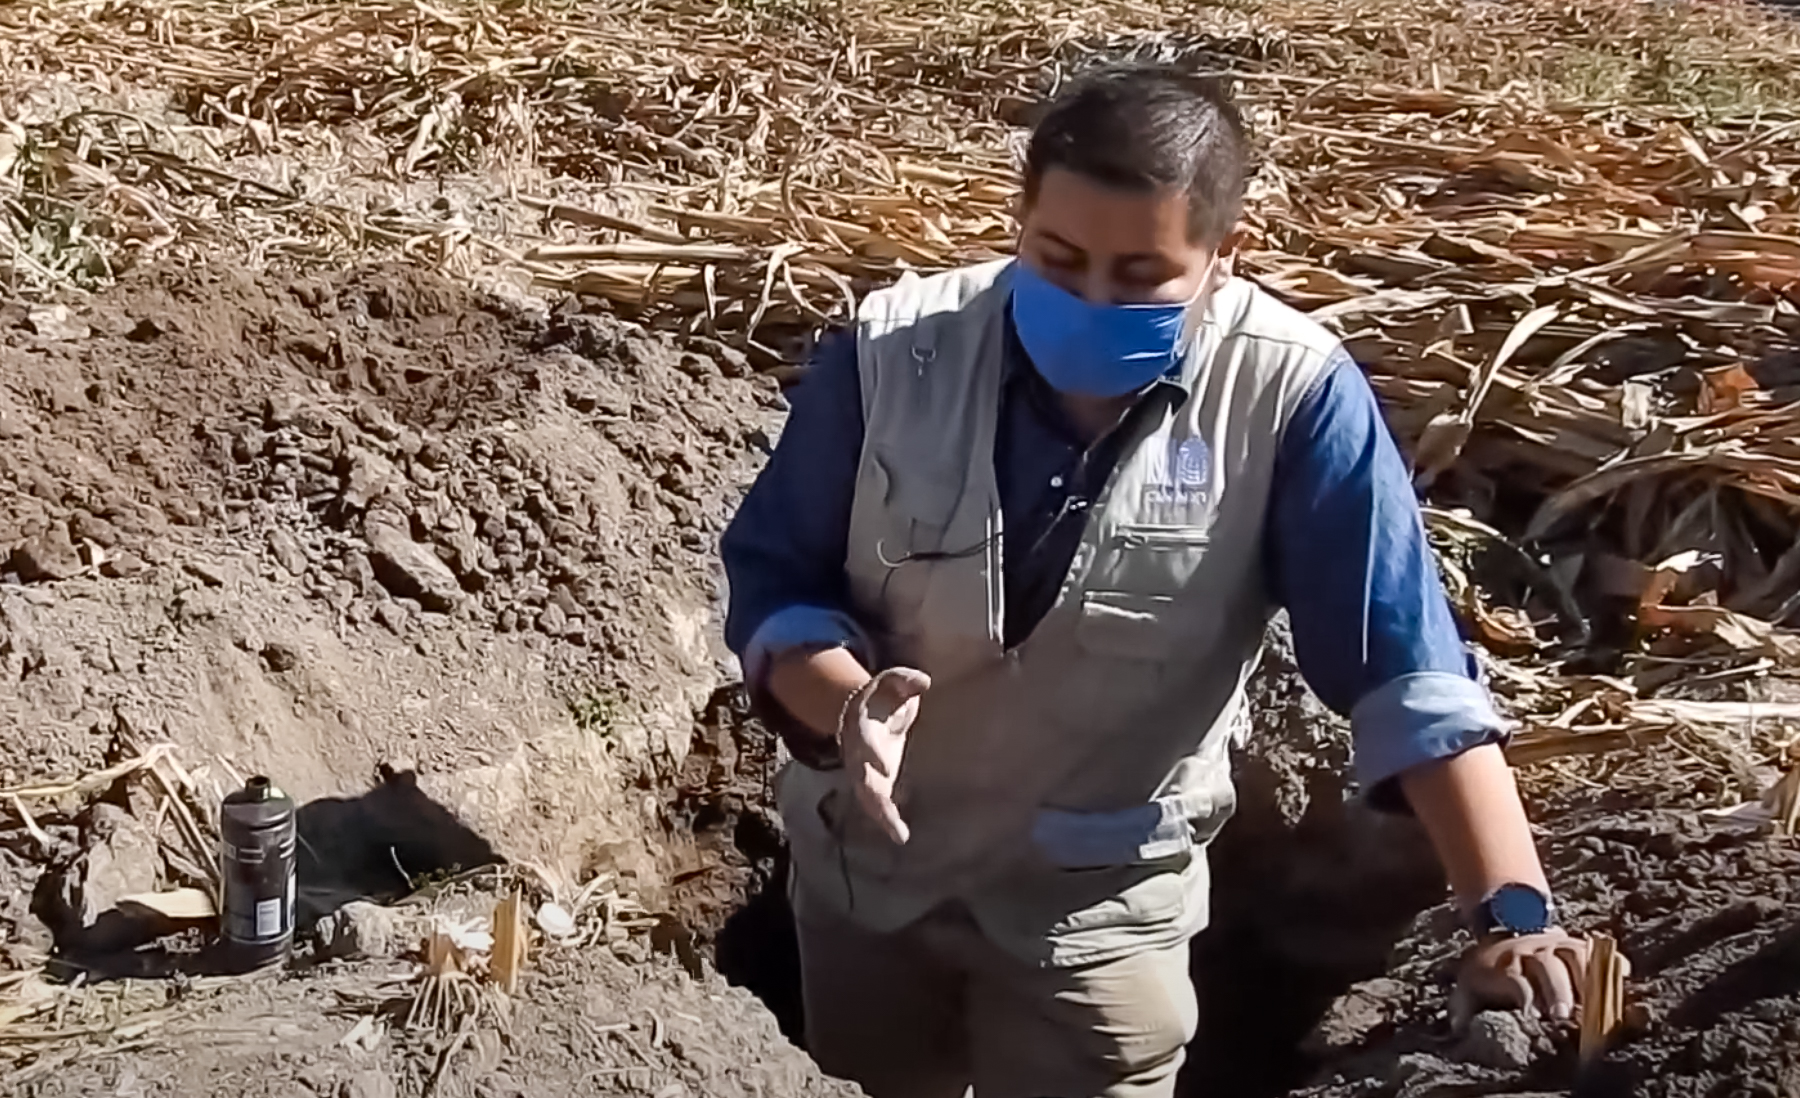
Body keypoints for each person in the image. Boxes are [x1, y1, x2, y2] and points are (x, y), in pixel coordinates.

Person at [720, 64, 1589, 1098]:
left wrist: (1512, 911)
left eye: (1140, 277)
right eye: (1059, 257)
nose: (1091, 299)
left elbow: (1408, 673)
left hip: (1098, 912)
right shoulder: (889, 355)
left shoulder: (1292, 397)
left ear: (1225, 257)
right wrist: (845, 701)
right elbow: (780, 579)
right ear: (1019, 220)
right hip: (867, 887)